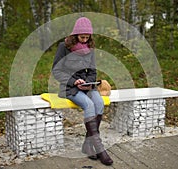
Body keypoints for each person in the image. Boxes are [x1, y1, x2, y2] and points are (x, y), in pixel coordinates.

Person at [51, 17, 113, 166]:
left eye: (87, 37)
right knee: (89, 105)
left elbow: (92, 71)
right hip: (70, 87)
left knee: (98, 103)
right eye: (82, 37)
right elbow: (56, 70)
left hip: (87, 86)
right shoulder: (63, 47)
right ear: (75, 35)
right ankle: (99, 148)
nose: (85, 40)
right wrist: (74, 81)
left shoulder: (90, 49)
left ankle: (87, 144)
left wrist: (88, 82)